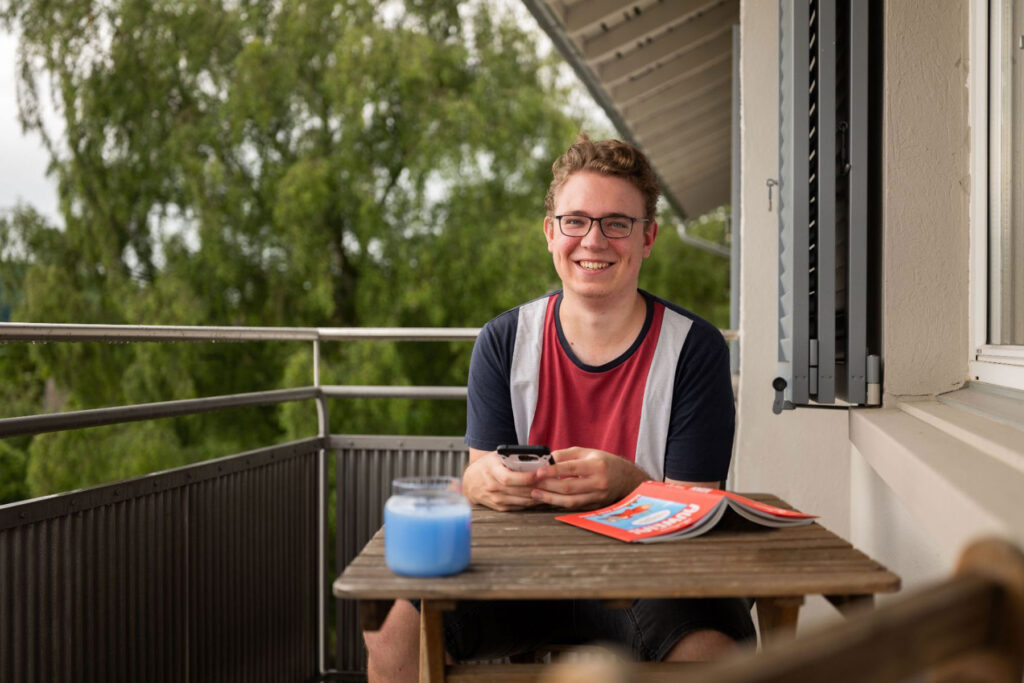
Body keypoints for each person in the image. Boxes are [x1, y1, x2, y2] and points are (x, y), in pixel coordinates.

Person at [363, 133, 754, 681]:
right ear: (551, 234)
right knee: (389, 629)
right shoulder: (503, 341)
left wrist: (627, 482)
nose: (594, 240)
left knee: (711, 650)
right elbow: (478, 476)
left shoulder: (695, 347)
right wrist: (480, 481)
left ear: (648, 239)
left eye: (618, 223)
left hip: (649, 578)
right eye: (576, 221)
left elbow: (698, 508)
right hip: (518, 569)